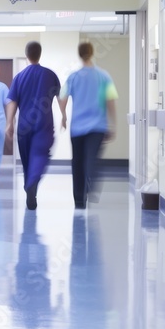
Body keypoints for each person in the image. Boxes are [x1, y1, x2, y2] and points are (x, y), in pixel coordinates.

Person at [58, 42, 118, 209]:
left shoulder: (73, 76)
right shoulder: (104, 76)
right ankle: (90, 183)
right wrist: (113, 124)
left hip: (77, 127)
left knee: (77, 162)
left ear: (79, 54)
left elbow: (62, 98)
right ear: (92, 54)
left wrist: (63, 116)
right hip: (98, 127)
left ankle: (79, 199)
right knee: (91, 159)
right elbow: (110, 100)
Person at [6, 42, 61, 210]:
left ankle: (30, 189)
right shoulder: (50, 75)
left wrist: (9, 123)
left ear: (27, 54)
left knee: (27, 161)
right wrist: (64, 115)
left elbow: (12, 101)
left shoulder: (19, 77)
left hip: (24, 125)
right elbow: (61, 96)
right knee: (39, 156)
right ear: (40, 53)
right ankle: (31, 184)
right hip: (43, 124)